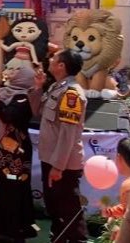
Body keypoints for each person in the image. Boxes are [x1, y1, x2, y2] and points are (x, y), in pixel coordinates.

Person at [0, 58, 40, 243]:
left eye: (16, 70)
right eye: (10, 69)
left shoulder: (26, 97)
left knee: (11, 192)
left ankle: (13, 229)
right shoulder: (4, 92)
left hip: (13, 156)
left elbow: (8, 116)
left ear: (24, 76)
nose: (11, 72)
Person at [36, 50, 87, 243]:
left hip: (62, 163)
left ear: (61, 66)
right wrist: (38, 87)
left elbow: (68, 134)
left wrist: (58, 166)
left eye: (54, 58)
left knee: (68, 208)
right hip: (49, 157)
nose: (49, 59)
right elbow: (38, 111)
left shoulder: (71, 93)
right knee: (54, 206)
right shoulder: (56, 87)